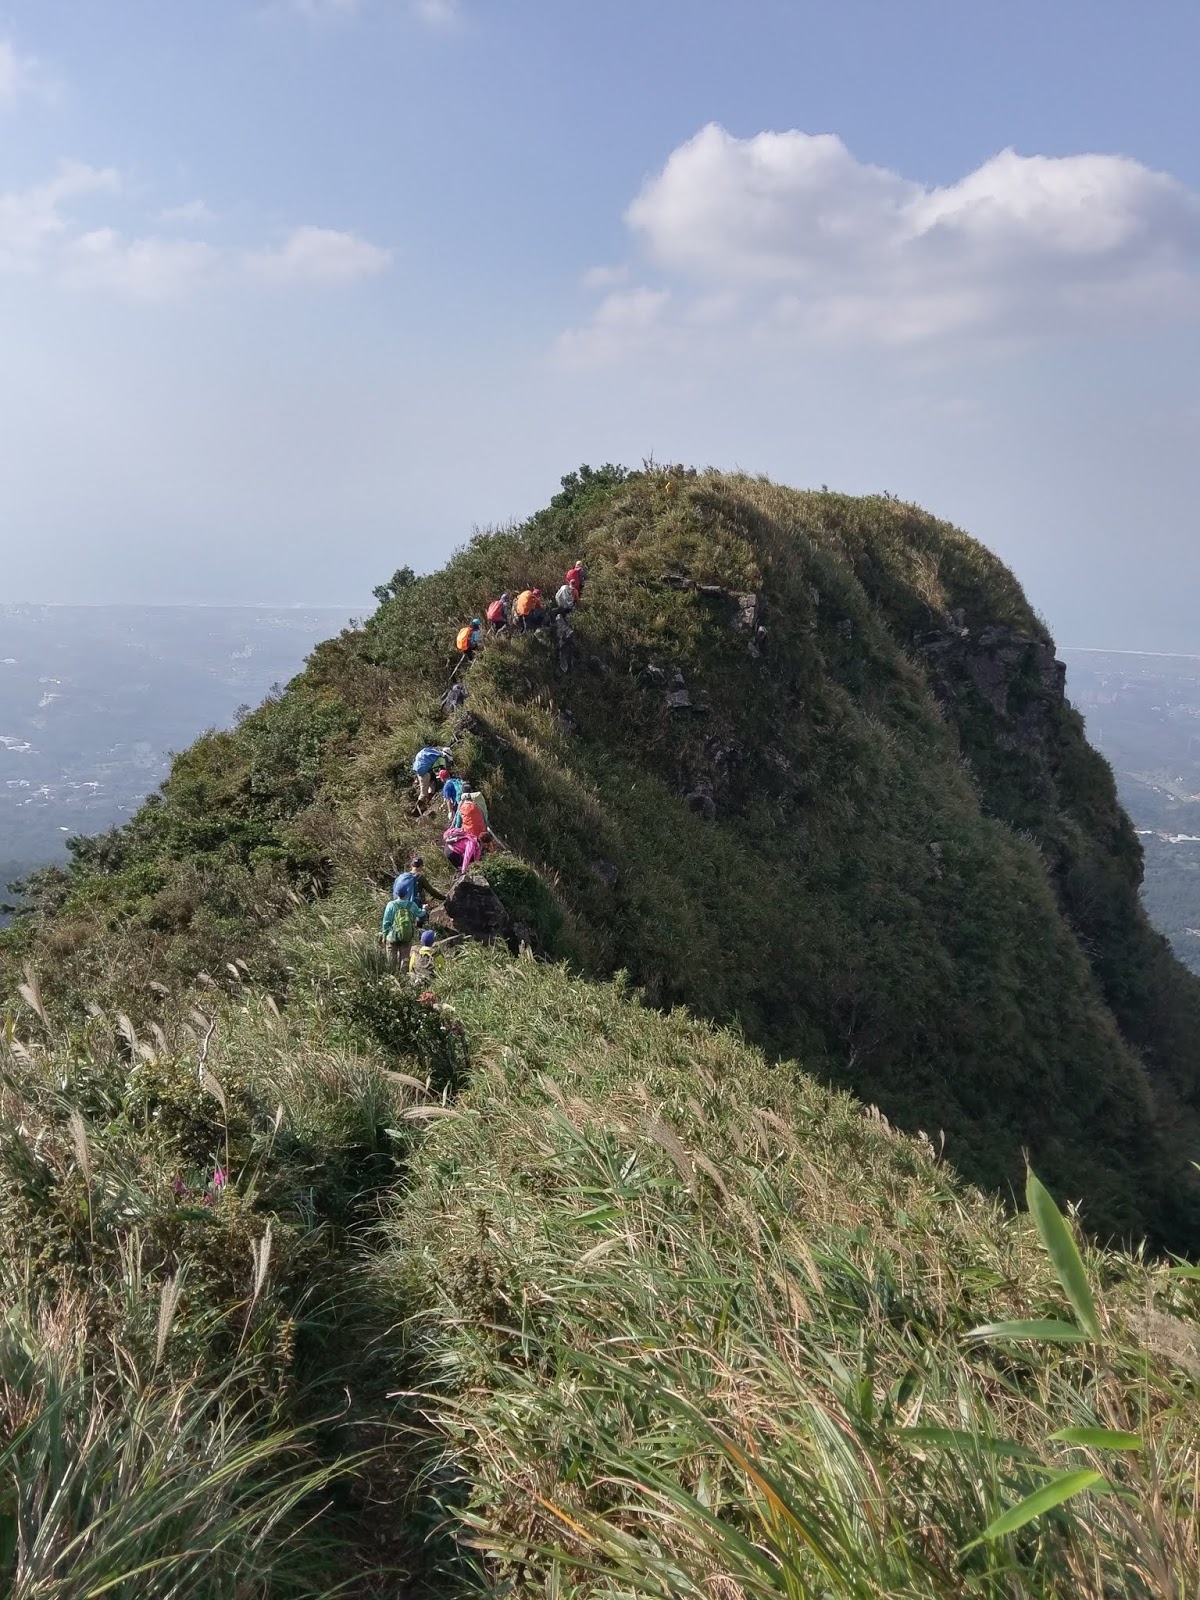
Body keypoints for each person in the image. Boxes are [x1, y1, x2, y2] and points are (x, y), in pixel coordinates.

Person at [381, 892, 422, 971]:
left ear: (397, 894)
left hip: (391, 936)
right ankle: (403, 976)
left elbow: (386, 922)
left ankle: (392, 975)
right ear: (407, 893)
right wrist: (424, 909)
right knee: (405, 959)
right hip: (406, 935)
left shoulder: (391, 905)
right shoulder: (412, 905)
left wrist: (384, 935)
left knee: (391, 960)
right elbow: (420, 913)